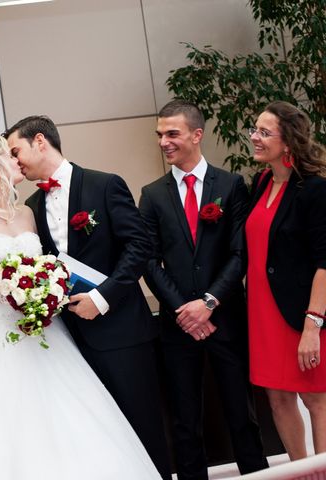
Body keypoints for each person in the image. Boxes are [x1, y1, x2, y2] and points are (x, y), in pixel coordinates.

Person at [0, 133, 161, 479]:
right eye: (9, 156)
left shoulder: (26, 213)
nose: (17, 161)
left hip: (44, 335)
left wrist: (43, 289)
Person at [5, 116, 171, 479]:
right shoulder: (31, 206)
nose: (15, 163)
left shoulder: (104, 184)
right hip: (72, 344)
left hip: (123, 334)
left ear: (40, 141)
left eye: (16, 152)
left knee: (143, 430)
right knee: (101, 442)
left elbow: (140, 246)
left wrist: (103, 296)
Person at [138, 100, 268, 479]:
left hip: (225, 318)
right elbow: (148, 260)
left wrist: (209, 302)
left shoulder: (231, 186)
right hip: (179, 327)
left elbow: (240, 253)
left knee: (242, 416)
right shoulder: (152, 193)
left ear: (197, 134)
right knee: (184, 421)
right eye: (160, 135)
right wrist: (185, 310)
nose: (164, 141)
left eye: (172, 133)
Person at [246, 101, 326, 460]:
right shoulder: (261, 182)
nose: (254, 137)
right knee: (278, 398)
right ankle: (302, 471)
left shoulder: (314, 190)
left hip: (302, 313)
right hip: (263, 313)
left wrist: (313, 325)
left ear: (288, 142)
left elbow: (325, 263)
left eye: (264, 132)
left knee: (315, 398)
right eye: (255, 129)